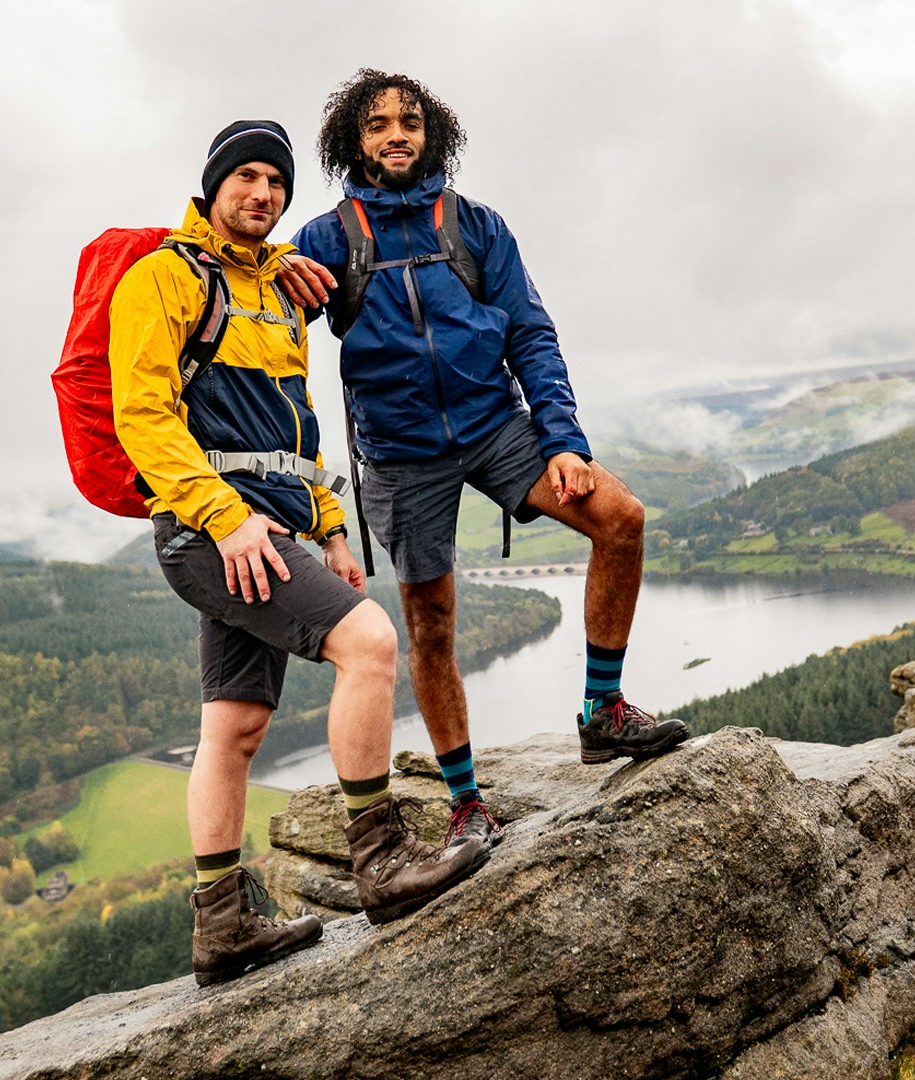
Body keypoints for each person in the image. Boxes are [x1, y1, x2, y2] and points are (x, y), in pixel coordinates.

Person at [109, 119, 487, 985]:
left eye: (276, 183)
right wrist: (224, 518)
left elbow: (294, 432)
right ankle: (380, 863)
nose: (263, 194)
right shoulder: (162, 281)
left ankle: (222, 929)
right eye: (245, 177)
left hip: (273, 527)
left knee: (235, 728)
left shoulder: (277, 293)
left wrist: (329, 526)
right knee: (373, 645)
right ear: (212, 187)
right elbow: (145, 417)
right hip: (215, 531)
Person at [280, 71, 689, 853]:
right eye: (377, 125)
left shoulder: (476, 226)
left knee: (621, 517)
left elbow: (531, 333)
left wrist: (564, 441)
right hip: (399, 458)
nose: (396, 134)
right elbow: (275, 349)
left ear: (432, 132)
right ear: (353, 142)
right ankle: (467, 799)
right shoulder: (326, 241)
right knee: (431, 625)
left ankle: (602, 712)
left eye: (408, 121)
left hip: (497, 425)